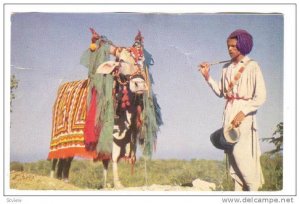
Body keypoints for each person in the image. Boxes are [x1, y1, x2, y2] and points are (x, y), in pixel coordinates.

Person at [199, 29, 266, 191]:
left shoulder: (252, 66)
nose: (230, 49)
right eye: (228, 46)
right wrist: (207, 77)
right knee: (232, 155)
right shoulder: (226, 68)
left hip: (244, 114)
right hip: (229, 111)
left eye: (234, 46)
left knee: (240, 154)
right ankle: (239, 192)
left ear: (243, 46)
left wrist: (243, 113)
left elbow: (261, 96)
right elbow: (221, 93)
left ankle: (253, 190)